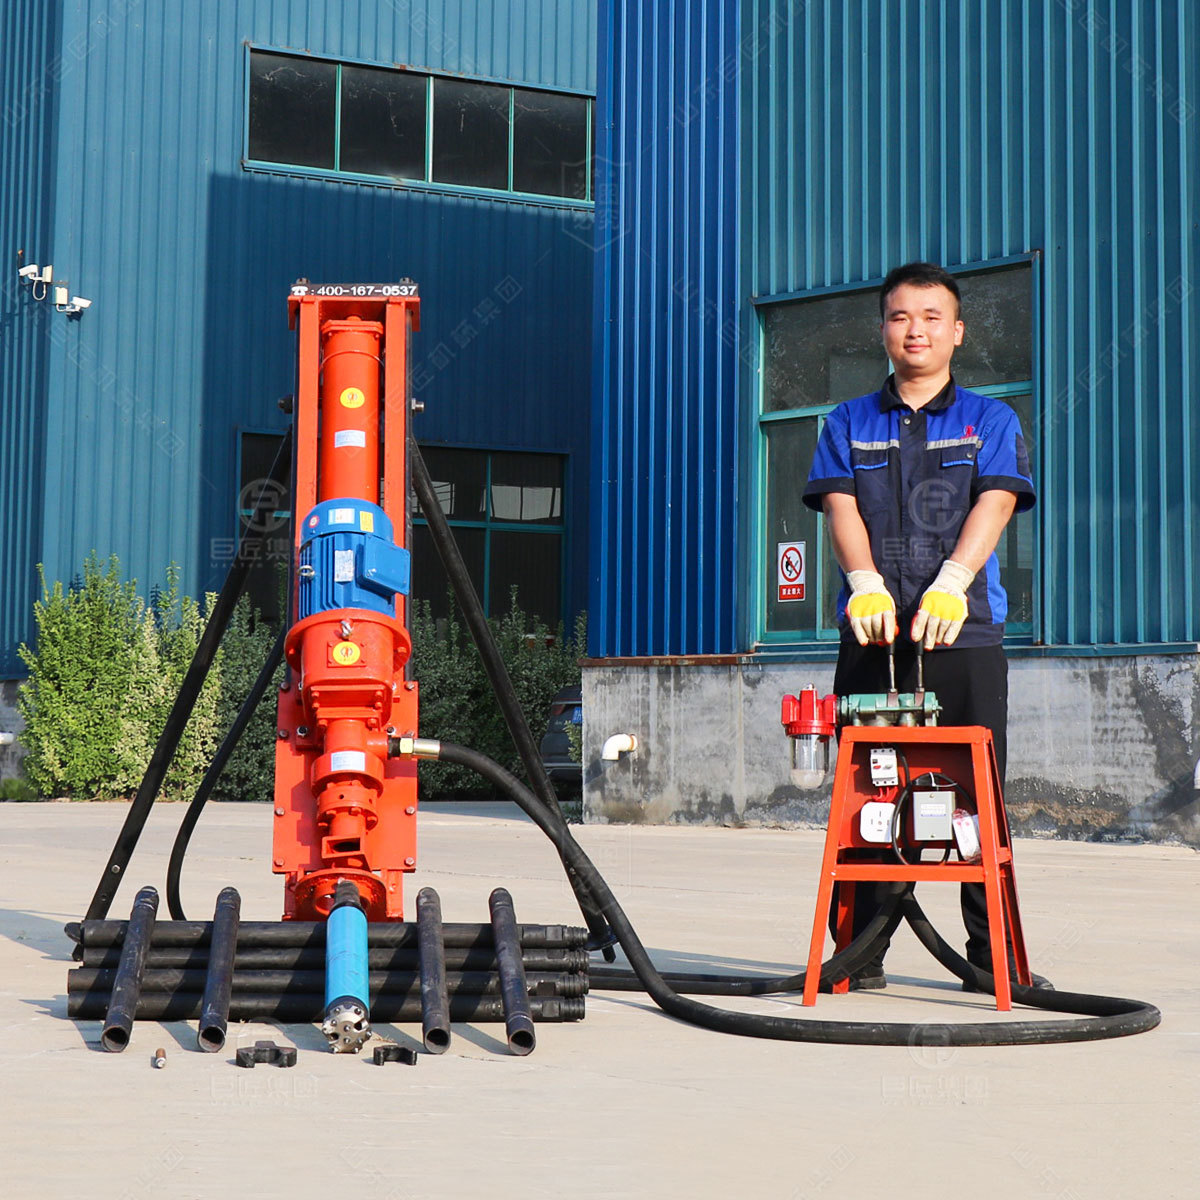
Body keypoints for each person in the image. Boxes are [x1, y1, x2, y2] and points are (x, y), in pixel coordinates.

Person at [803, 261, 1037, 990]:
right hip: (874, 637)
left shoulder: (991, 420)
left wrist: (955, 581)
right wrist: (864, 583)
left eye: (932, 317)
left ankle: (991, 959)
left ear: (957, 332)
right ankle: (857, 956)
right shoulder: (847, 421)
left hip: (963, 635)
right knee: (867, 796)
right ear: (883, 328)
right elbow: (841, 506)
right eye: (901, 316)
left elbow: (996, 501)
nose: (916, 330)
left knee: (977, 798)